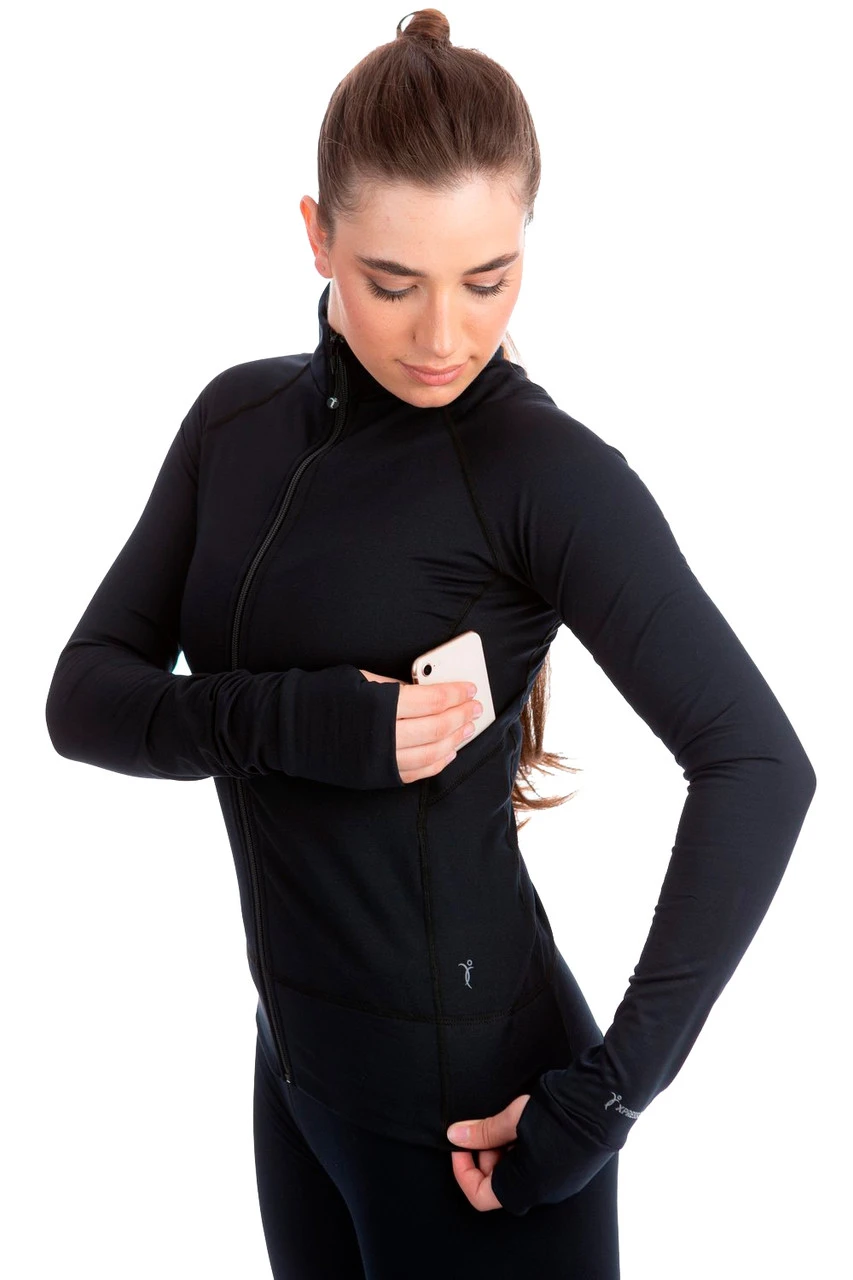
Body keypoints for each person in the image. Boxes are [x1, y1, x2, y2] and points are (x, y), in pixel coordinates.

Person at [44, 9, 817, 1278]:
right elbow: (83, 699)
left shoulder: (541, 472)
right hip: (295, 1085)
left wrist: (604, 1098)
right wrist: (307, 721)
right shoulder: (233, 424)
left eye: (488, 278)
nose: (444, 336)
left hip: (485, 1134)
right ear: (317, 236)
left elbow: (759, 766)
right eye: (393, 283)